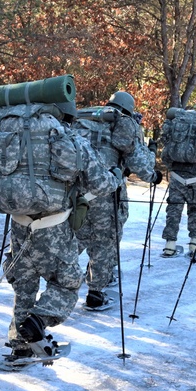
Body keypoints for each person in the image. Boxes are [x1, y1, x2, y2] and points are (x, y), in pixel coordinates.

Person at [1, 102, 123, 367]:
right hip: (53, 226)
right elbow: (101, 184)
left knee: (24, 287)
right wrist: (115, 176)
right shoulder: (69, 139)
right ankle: (38, 322)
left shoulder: (8, 134)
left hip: (19, 224)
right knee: (67, 284)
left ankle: (20, 349)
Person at [75, 91, 162, 310]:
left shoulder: (86, 118)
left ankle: (58, 281)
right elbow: (138, 162)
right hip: (107, 193)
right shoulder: (123, 123)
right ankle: (95, 293)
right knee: (105, 242)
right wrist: (154, 175)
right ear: (129, 108)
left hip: (75, 192)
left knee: (77, 236)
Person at [159, 108, 196, 258]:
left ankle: (169, 246)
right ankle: (194, 243)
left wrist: (170, 167)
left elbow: (164, 144)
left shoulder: (175, 125)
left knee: (173, 210)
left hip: (177, 175)